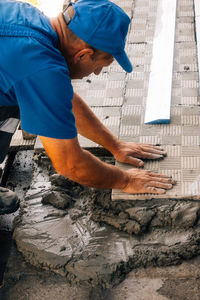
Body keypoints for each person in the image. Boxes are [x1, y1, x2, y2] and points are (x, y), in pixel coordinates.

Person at [0, 0, 175, 215]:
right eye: (101, 64)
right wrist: (125, 179)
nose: (97, 73)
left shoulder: (27, 16)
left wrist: (115, 145)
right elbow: (69, 164)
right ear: (83, 55)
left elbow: (61, 98)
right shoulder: (40, 68)